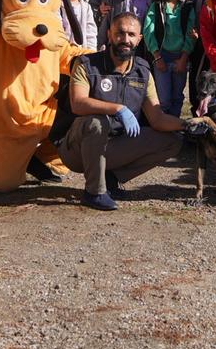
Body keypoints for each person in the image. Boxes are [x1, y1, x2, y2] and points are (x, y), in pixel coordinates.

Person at [57, 13, 187, 211]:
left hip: (114, 145)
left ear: (139, 39)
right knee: (97, 122)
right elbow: (78, 103)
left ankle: (109, 178)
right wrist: (117, 109)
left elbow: (158, 118)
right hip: (77, 150)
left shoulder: (144, 71)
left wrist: (190, 124)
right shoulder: (86, 64)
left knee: (173, 140)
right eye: (120, 33)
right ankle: (94, 192)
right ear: (109, 34)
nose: (125, 39)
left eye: (131, 34)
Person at [143, 0, 195, 115]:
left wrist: (184, 59)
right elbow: (148, 31)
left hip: (180, 57)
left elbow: (191, 35)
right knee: (164, 99)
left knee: (178, 97)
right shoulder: (157, 5)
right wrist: (157, 56)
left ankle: (176, 130)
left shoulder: (187, 7)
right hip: (162, 57)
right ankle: (164, 130)